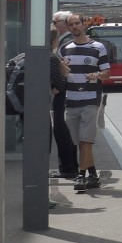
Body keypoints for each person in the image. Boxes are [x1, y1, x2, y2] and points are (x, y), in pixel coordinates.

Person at [60, 13, 110, 191]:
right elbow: (61, 73)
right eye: (71, 24)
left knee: (86, 140)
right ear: (68, 27)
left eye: (77, 23)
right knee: (80, 142)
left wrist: (97, 74)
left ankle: (81, 176)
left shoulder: (98, 47)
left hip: (91, 99)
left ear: (83, 25)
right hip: (70, 99)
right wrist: (63, 70)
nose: (74, 26)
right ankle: (93, 175)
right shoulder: (64, 49)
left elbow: (107, 73)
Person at [49, 10, 78, 180]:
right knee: (63, 131)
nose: (53, 24)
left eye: (55, 21)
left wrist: (55, 86)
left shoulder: (67, 43)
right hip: (65, 94)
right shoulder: (63, 43)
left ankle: (68, 168)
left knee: (63, 132)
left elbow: (62, 75)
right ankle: (68, 167)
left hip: (64, 95)